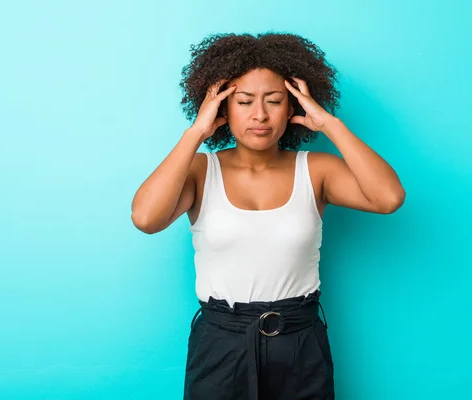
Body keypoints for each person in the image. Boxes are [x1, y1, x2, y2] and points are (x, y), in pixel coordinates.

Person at [131, 32, 405, 400]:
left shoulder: (317, 170)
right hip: (221, 342)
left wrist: (330, 125)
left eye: (274, 100)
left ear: (292, 107)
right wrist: (196, 132)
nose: (260, 114)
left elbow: (389, 198)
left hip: (300, 341)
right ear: (223, 109)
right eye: (244, 101)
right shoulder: (199, 170)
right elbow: (146, 218)